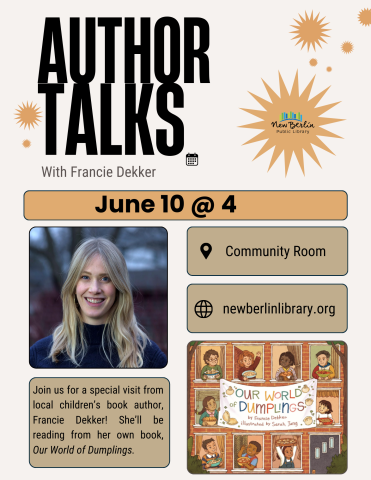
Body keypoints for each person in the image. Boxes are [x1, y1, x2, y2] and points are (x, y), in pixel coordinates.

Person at [30, 238, 167, 368]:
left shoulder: (149, 358)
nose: (94, 289)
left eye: (105, 278)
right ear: (73, 286)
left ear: (119, 287)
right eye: (85, 277)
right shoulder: (38, 356)